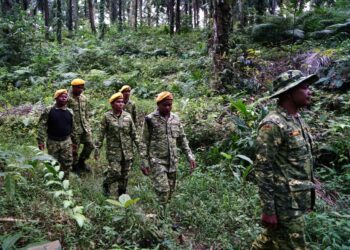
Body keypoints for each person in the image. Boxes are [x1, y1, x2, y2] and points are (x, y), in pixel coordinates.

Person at [252, 70, 319, 249]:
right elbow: (263, 168)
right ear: (289, 92)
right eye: (304, 87)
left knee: (268, 242)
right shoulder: (272, 124)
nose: (309, 91)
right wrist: (268, 210)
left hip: (297, 200)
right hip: (284, 204)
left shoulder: (298, 121)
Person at [140, 91, 196, 206]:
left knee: (170, 190)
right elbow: (144, 141)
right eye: (164, 105)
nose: (167, 107)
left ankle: (164, 216)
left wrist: (190, 156)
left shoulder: (175, 119)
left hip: (173, 161)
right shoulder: (150, 119)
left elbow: (182, 139)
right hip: (157, 161)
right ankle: (160, 220)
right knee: (163, 190)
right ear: (158, 104)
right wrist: (144, 162)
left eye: (170, 104)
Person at [95, 92, 139, 197]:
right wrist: (97, 148)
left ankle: (122, 193)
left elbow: (134, 133)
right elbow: (101, 134)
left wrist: (140, 147)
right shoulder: (107, 117)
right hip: (113, 151)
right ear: (112, 104)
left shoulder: (128, 116)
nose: (121, 104)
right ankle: (106, 183)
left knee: (125, 174)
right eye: (118, 102)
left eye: (122, 102)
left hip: (127, 151)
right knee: (116, 172)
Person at [37, 89, 77, 178]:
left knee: (67, 162)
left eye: (65, 97)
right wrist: (40, 141)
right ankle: (54, 180)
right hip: (52, 141)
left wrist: (75, 142)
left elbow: (73, 128)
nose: (64, 98)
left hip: (66, 141)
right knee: (53, 162)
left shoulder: (70, 112)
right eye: (61, 96)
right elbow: (42, 126)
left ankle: (64, 180)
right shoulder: (49, 110)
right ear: (56, 98)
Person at [67, 78, 94, 173]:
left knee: (90, 145)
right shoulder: (67, 98)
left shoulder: (83, 98)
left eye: (82, 88)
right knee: (74, 149)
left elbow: (86, 113)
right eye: (79, 88)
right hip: (73, 129)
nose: (81, 90)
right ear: (73, 87)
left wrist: (88, 125)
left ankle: (81, 162)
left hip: (84, 128)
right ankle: (74, 167)